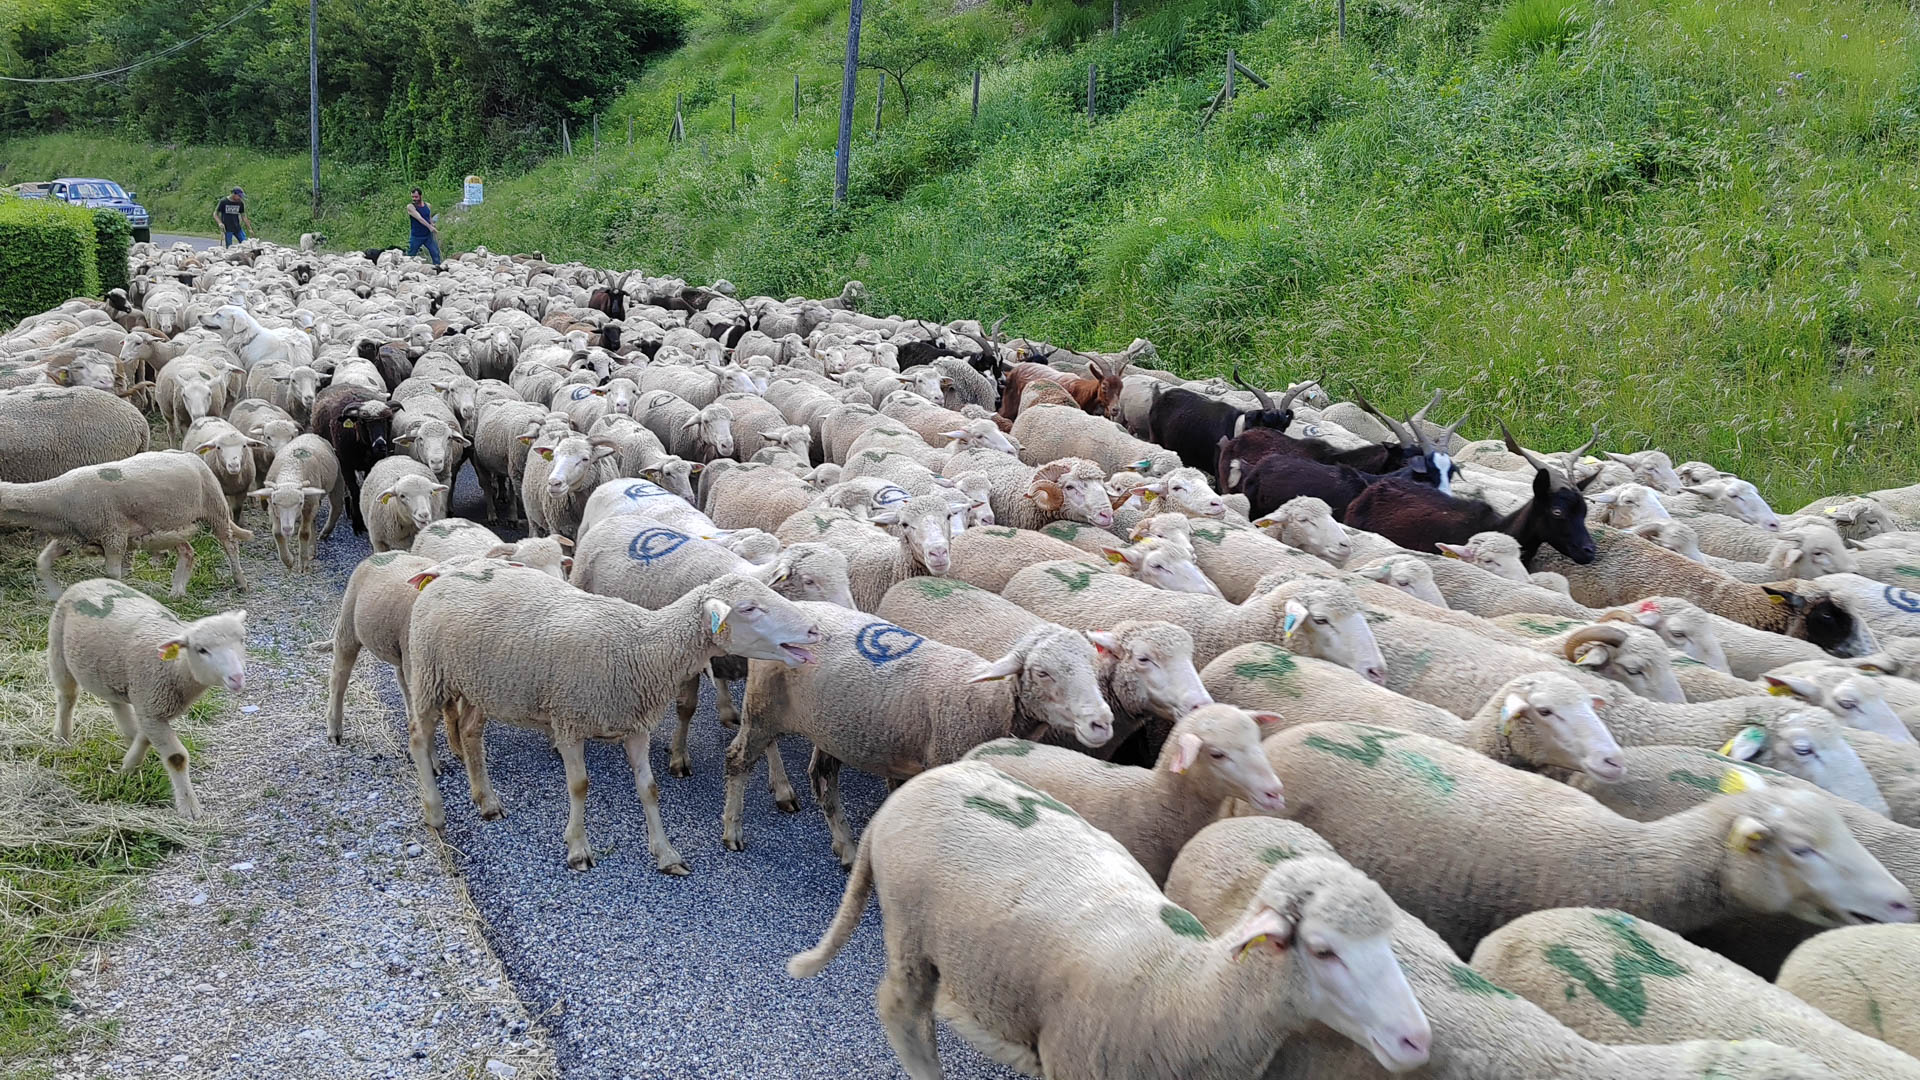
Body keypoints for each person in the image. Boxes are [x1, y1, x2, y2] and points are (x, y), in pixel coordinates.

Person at [406, 188, 441, 266]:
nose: (414, 199)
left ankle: (438, 268)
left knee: (435, 253)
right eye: (412, 197)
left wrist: (432, 224)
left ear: (421, 196)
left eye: (416, 197)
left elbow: (429, 217)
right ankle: (407, 267)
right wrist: (430, 227)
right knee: (411, 255)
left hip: (427, 236)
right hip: (416, 236)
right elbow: (419, 218)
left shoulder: (427, 205)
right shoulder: (411, 207)